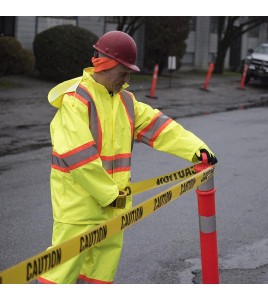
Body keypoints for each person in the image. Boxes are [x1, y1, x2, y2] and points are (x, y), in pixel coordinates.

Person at [38, 30, 217, 284]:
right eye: (123, 73)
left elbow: (160, 127)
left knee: (100, 274)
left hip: (113, 209)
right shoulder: (77, 100)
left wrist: (197, 149)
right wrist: (109, 195)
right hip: (78, 209)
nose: (126, 80)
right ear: (103, 65)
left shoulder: (125, 101)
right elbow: (78, 156)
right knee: (60, 272)